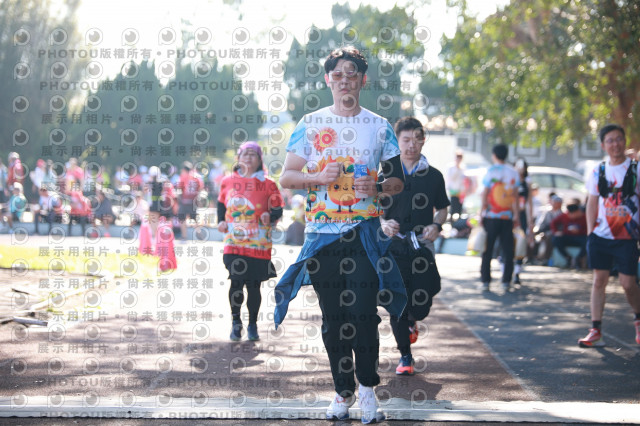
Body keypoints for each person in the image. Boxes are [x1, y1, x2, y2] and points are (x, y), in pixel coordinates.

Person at [273, 46, 406, 424]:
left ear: (363, 80)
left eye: (352, 74)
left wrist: (377, 188)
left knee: (363, 313)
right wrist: (317, 177)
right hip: (322, 236)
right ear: (328, 80)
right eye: (338, 74)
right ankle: (342, 391)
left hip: (364, 234)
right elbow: (287, 177)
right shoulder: (310, 123)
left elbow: (398, 181)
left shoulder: (379, 126)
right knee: (333, 318)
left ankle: (367, 390)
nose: (345, 80)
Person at [379, 117, 449, 376]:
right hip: (393, 247)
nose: (411, 145)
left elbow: (443, 209)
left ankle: (413, 319)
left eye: (416, 140)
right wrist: (383, 223)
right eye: (406, 140)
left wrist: (436, 225)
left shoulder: (434, 176)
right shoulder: (385, 174)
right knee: (396, 300)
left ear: (423, 141)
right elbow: (372, 210)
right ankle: (405, 356)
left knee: (421, 302)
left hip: (421, 247)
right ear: (397, 142)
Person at [579, 124, 640, 347]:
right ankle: (595, 330)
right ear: (603, 145)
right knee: (598, 281)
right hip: (600, 236)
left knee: (628, 283)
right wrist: (590, 232)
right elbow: (592, 202)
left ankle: (638, 319)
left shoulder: (636, 169)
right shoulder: (598, 170)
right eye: (610, 140)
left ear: (625, 141)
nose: (615, 144)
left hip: (627, 236)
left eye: (619, 139)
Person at [217, 142, 283, 342]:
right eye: (245, 154)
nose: (248, 157)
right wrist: (220, 221)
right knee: (236, 280)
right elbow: (221, 204)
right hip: (234, 242)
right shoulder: (227, 181)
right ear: (238, 158)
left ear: (260, 159)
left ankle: (252, 325)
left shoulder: (269, 184)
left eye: (253, 154)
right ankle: (236, 322)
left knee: (254, 286)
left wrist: (270, 216)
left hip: (258, 242)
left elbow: (277, 208)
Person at [480, 144, 520, 291]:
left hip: (491, 215)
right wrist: (516, 215)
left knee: (488, 249)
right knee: (508, 250)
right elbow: (515, 196)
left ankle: (485, 280)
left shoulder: (491, 171)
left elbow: (485, 193)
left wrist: (481, 212)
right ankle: (506, 281)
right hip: (507, 216)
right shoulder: (513, 172)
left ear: (494, 155)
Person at [139, 166, 177, 272]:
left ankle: (155, 245)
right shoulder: (162, 183)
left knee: (154, 227)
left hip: (153, 205)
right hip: (160, 205)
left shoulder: (150, 183)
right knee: (158, 227)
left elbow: (145, 191)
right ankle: (158, 244)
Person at [513, 158, 534, 284]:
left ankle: (517, 270)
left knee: (521, 242)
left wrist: (530, 219)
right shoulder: (511, 180)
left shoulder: (527, 182)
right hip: (511, 215)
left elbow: (529, 202)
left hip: (522, 216)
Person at [550, 198, 587, 268]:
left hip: (580, 237)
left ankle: (578, 259)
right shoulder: (564, 216)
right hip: (567, 236)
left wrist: (580, 231)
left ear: (578, 212)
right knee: (556, 239)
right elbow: (553, 223)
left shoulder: (584, 217)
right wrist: (556, 232)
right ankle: (568, 257)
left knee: (588, 241)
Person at [177, 161, 204, 242]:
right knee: (193, 218)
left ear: (184, 169)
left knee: (182, 218)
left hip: (184, 201)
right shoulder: (196, 177)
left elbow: (180, 188)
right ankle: (199, 232)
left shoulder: (184, 176)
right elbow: (200, 187)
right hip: (193, 201)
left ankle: (184, 236)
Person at [532, 194, 564, 264]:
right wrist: (539, 231)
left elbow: (561, 226)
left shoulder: (562, 214)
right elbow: (541, 223)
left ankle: (546, 259)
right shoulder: (547, 212)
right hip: (544, 231)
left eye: (558, 202)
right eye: (554, 202)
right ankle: (532, 257)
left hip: (554, 233)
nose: (555, 204)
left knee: (549, 238)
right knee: (533, 237)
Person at [446, 149, 466, 220]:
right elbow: (450, 178)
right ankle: (451, 220)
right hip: (453, 190)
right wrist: (457, 169)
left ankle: (459, 221)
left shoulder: (463, 167)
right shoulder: (451, 167)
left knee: (459, 207)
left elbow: (463, 179)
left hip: (460, 191)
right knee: (453, 206)